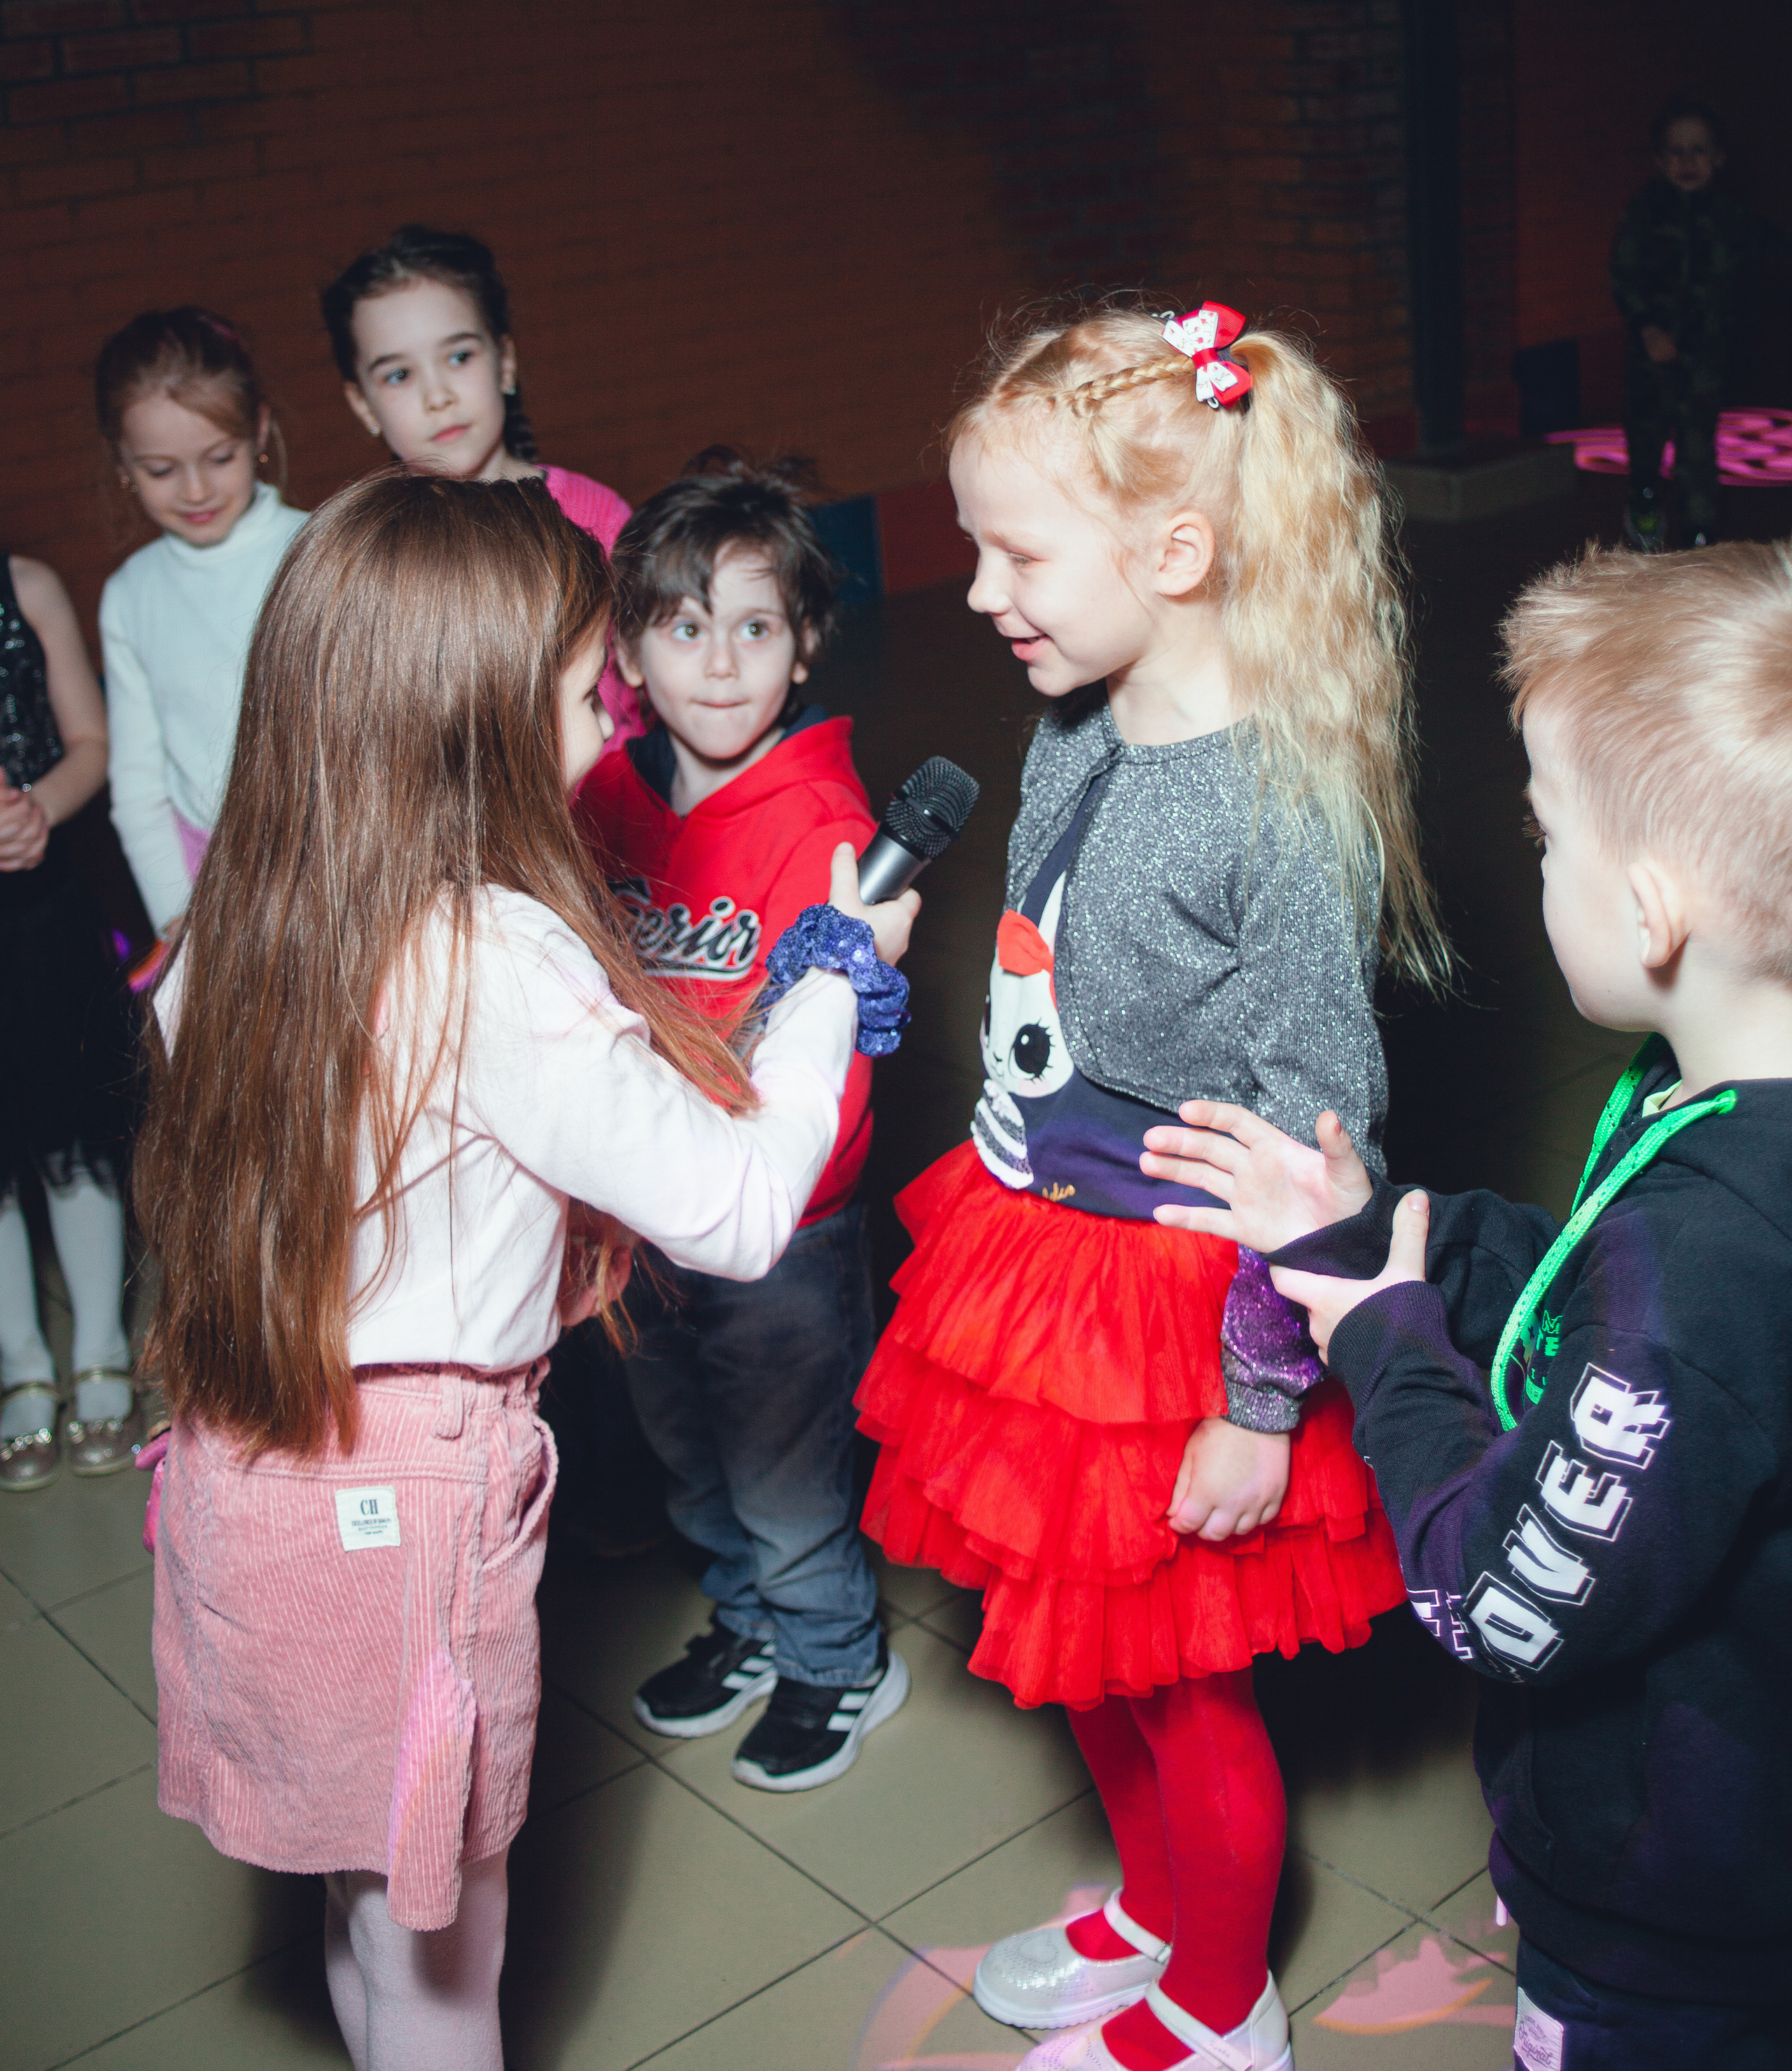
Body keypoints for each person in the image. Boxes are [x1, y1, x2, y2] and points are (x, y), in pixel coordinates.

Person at [139, 472, 917, 2071]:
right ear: (479, 720)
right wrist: (834, 980)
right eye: (582, 688)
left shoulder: (247, 907)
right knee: (445, 1958)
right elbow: (738, 1208)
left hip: (251, 1476)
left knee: (367, 1892)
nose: (612, 708)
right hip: (404, 1512)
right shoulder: (497, 955)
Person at [855, 302, 1442, 2071]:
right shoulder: (1074, 723)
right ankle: (1152, 1907)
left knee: (1182, 1685)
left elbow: (1322, 1143)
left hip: (1180, 1310)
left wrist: (1260, 1406)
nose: (978, 591)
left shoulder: (1271, 805)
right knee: (1081, 1646)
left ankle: (1218, 1997)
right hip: (1034, 1260)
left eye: (1017, 552)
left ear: (1174, 554)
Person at [1148, 540, 1792, 2071]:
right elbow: (1593, 1284)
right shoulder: (1717, 1112)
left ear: (1652, 912)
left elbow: (1493, 1593)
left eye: (1545, 834)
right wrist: (1394, 1239)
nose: (1533, 860)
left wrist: (1380, 1338)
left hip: (1666, 1923)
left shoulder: (1707, 1260)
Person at [578, 451, 902, 1790]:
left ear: (806, 642)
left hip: (785, 1231)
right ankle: (752, 1619)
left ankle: (836, 1654)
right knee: (687, 1447)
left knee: (782, 1467)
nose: (719, 666)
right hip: (642, 1209)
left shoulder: (828, 825)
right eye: (683, 626)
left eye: (755, 628)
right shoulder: (599, 800)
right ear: (626, 652)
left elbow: (838, 1056)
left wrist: (782, 1185)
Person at [321, 225, 640, 738]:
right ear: (362, 404)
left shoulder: (599, 517)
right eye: (399, 375)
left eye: (459, 357)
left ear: (506, 362)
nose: (438, 396)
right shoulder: (369, 561)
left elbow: (647, 699)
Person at [95, 308, 307, 939]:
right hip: (215, 884)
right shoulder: (130, 595)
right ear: (123, 462)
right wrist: (174, 912)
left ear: (259, 430)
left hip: (338, 853)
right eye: (161, 470)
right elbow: (139, 784)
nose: (194, 491)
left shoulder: (317, 548)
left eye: (219, 458)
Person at [0, 549, 137, 1487]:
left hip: (42, 918)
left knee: (71, 1135)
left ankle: (100, 1352)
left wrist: (35, 811)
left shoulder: (27, 587)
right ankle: (21, 1364)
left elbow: (92, 739)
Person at [1609, 101, 1772, 553]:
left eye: (1698, 150)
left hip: (1705, 358)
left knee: (1698, 447)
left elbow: (1772, 244)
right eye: (1676, 151)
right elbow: (1624, 273)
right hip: (1650, 356)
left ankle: (1700, 536)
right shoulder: (1645, 210)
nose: (1687, 161)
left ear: (1719, 158)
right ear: (1660, 160)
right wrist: (1646, 327)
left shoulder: (1731, 216)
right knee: (1646, 437)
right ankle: (1644, 495)